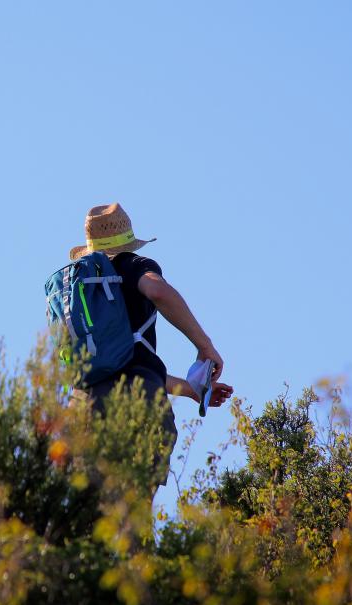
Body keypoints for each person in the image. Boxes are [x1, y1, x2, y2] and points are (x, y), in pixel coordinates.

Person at [69, 203, 234, 487]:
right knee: (134, 511)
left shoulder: (78, 288)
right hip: (138, 399)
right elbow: (157, 290)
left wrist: (191, 390)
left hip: (82, 405)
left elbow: (121, 360)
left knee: (91, 513)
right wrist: (204, 345)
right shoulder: (132, 265)